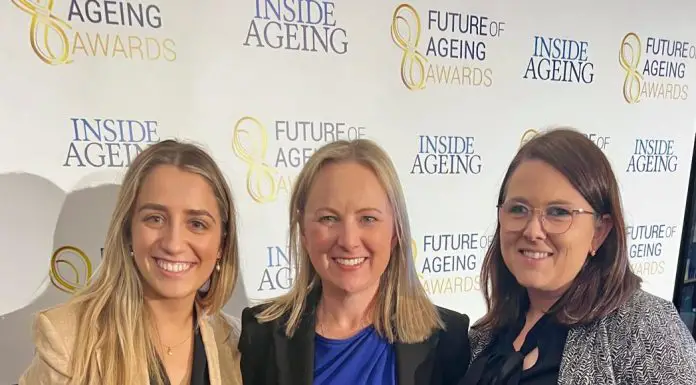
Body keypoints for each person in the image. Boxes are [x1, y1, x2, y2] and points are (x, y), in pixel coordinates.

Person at [461, 128, 696, 384]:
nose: (532, 230)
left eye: (559, 212)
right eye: (518, 209)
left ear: (600, 231)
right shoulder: (486, 333)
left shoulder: (644, 328)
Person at [238, 139, 471, 385]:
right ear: (303, 230)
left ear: (395, 232)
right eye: (328, 218)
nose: (349, 241)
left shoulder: (448, 340)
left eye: (368, 218)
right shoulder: (261, 334)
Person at [19, 140, 243, 385]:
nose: (174, 243)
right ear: (128, 231)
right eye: (155, 219)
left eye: (197, 224)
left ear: (222, 243)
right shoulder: (69, 339)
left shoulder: (236, 343)